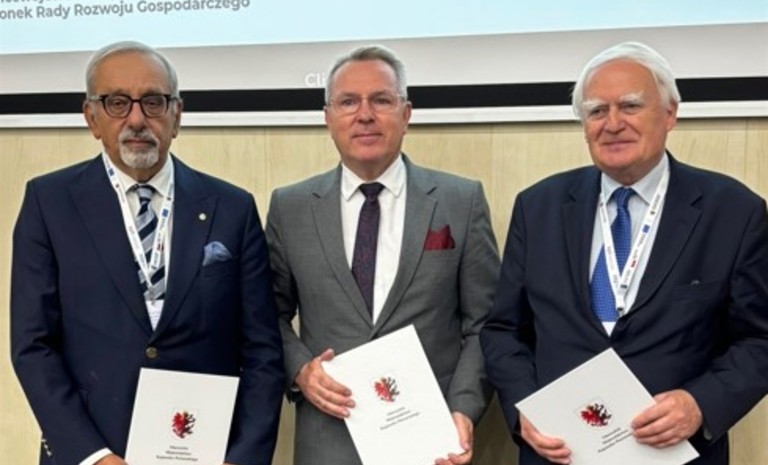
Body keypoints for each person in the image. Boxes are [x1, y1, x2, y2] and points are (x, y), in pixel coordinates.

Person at [480, 41, 768, 465]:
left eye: (630, 106)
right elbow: (504, 330)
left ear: (669, 113)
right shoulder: (538, 207)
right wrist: (524, 408)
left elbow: (759, 339)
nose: (612, 123)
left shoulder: (733, 212)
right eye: (597, 111)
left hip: (673, 453)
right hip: (561, 453)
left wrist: (700, 404)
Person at [10, 41, 285, 465]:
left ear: (177, 115)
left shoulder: (232, 208)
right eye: (117, 103)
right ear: (92, 117)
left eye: (153, 102)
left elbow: (263, 351)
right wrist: (94, 456)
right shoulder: (49, 203)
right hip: (95, 450)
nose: (137, 119)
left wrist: (242, 457)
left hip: (208, 451)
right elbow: (33, 346)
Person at [265, 44, 499, 465]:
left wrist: (463, 408)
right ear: (328, 118)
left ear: (406, 114)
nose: (365, 115)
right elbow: (268, 316)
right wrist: (301, 370)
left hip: (433, 439)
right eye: (348, 102)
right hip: (328, 439)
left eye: (381, 100)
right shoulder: (290, 207)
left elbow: (485, 323)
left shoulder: (460, 201)